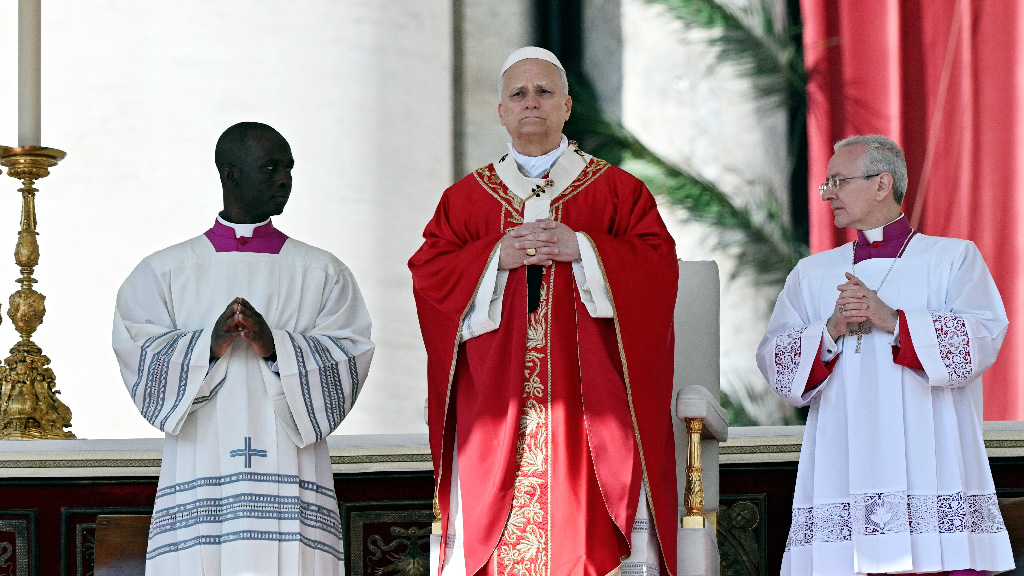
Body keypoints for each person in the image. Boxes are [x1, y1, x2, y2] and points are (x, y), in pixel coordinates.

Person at [409, 47, 679, 576]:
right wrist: (494, 258)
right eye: (518, 94)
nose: (531, 102)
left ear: (567, 107)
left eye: (544, 92)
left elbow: (657, 266)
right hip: (498, 398)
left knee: (582, 535)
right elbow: (429, 276)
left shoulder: (618, 192)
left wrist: (586, 249)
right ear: (502, 112)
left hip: (588, 402)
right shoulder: (465, 201)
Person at [112, 122, 374, 576]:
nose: (284, 180)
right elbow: (138, 351)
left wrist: (278, 349)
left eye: (289, 169)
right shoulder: (164, 271)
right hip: (202, 465)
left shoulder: (323, 271)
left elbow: (349, 354)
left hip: (291, 467)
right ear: (229, 174)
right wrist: (205, 347)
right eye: (271, 167)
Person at [757, 135, 1014, 576]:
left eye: (838, 181)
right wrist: (831, 330)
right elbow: (775, 360)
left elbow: (983, 337)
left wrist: (894, 320)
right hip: (844, 455)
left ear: (882, 184)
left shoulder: (951, 259)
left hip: (930, 456)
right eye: (825, 185)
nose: (828, 194)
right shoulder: (812, 273)